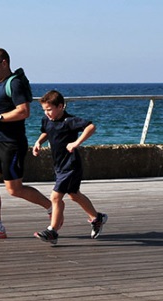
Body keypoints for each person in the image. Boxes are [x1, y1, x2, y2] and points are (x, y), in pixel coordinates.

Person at [0, 48, 52, 239]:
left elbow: (24, 111)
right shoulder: (0, 84)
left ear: (4, 64)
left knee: (14, 189)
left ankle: (52, 206)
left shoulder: (15, 83)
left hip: (11, 144)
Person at [32, 89, 107, 244]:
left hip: (71, 165)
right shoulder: (47, 120)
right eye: (44, 110)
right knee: (74, 194)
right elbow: (47, 132)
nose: (47, 113)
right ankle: (96, 218)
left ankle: (52, 231)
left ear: (61, 106)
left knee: (55, 197)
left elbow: (91, 127)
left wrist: (76, 143)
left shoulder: (69, 121)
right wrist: (39, 142)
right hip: (59, 165)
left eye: (50, 109)